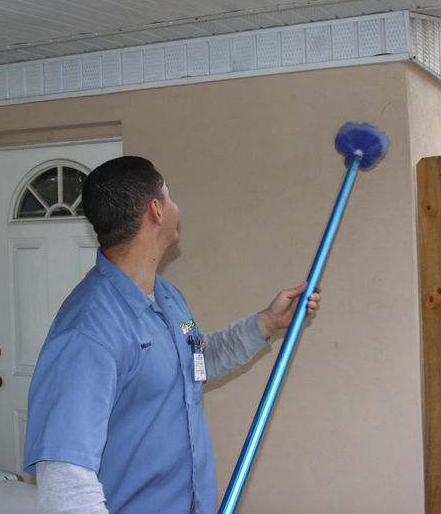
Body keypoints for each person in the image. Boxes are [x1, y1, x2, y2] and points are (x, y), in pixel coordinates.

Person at [23, 156, 319, 514]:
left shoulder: (169, 299)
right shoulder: (88, 332)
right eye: (169, 195)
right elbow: (64, 482)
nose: (175, 205)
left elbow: (197, 358)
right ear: (156, 211)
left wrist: (267, 323)